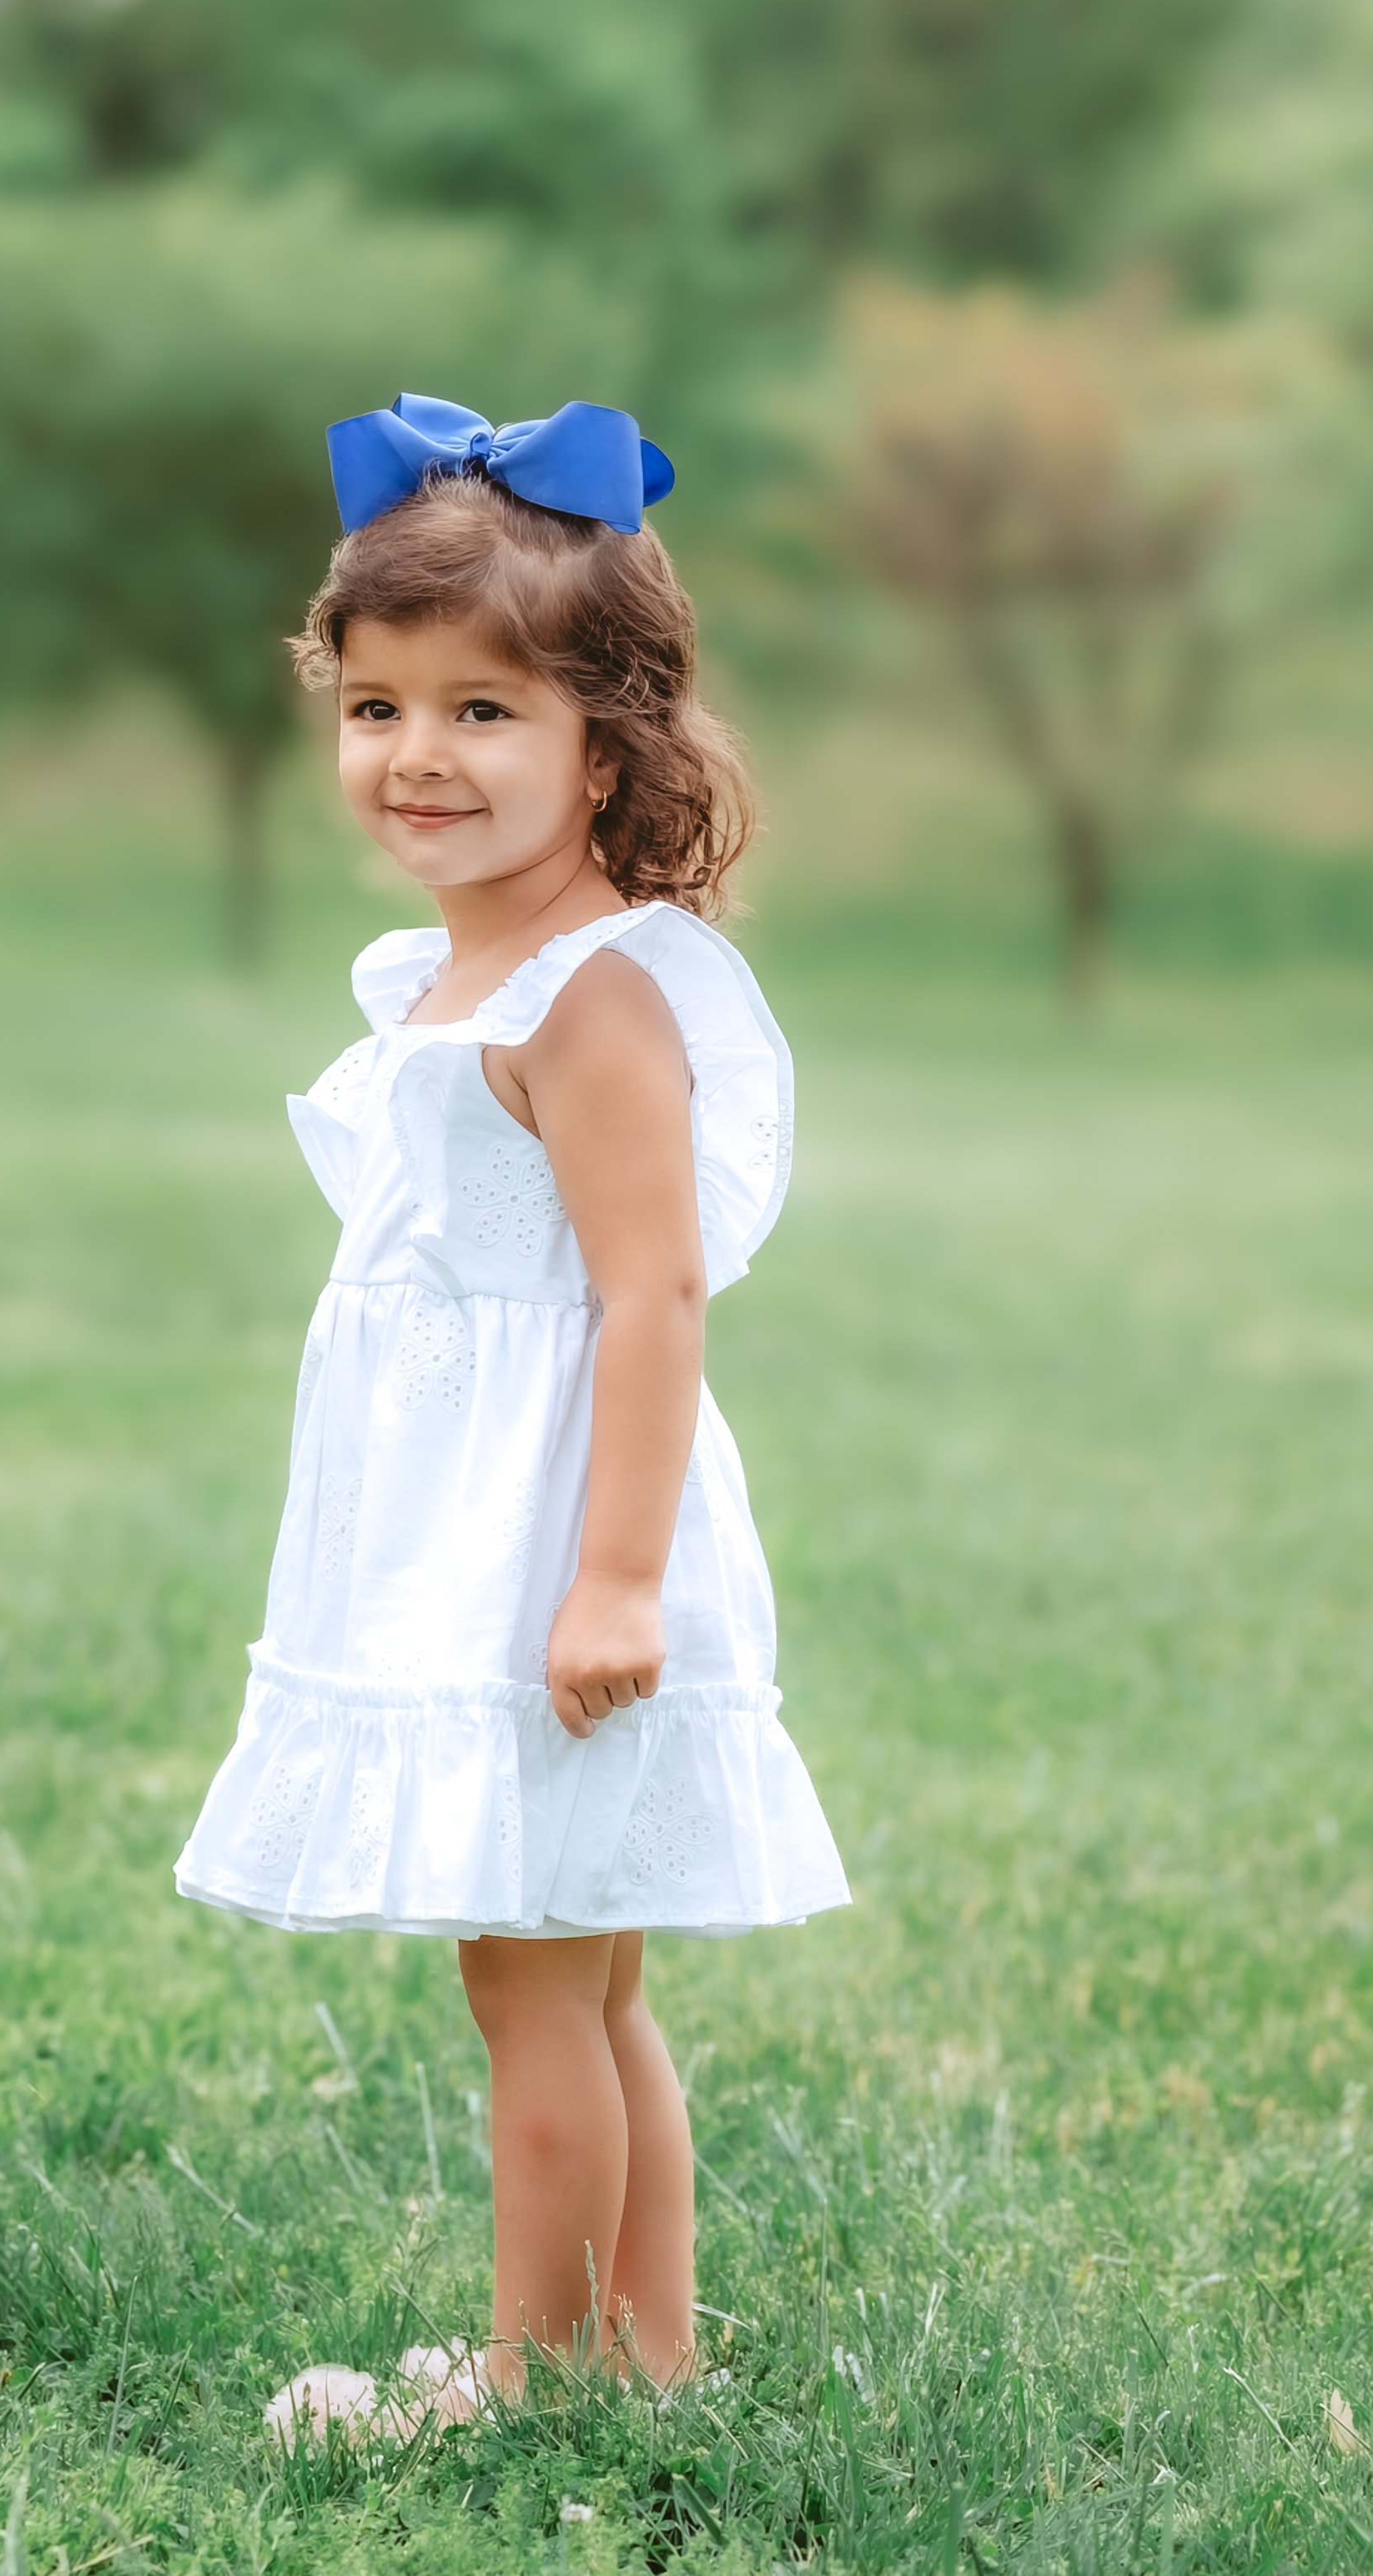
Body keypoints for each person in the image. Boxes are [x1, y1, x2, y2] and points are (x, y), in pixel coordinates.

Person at [174, 396, 849, 2421]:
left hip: (549, 1550)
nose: (417, 757)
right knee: (581, 1962)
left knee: (532, 1978)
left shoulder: (594, 999)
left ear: (605, 744)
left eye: (484, 711)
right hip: (470, 1530)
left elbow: (650, 1294)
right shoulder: (451, 984)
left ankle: (534, 2384)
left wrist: (614, 1583)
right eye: (376, 707)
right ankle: (636, 2366)